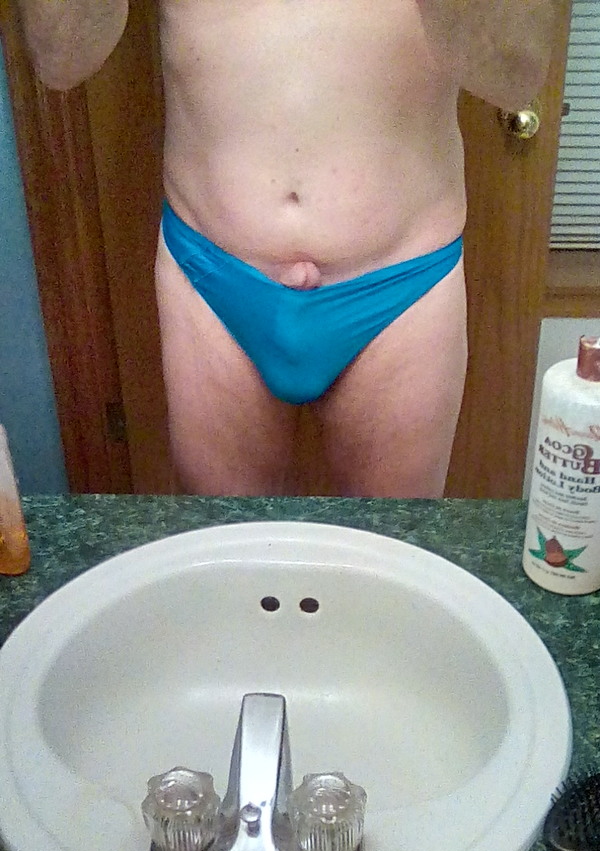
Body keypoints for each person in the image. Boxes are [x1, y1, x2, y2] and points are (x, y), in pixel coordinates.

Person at [15, 0, 561, 497]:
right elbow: (62, 59)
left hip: (402, 281)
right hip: (212, 272)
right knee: (227, 551)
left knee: (391, 554)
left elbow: (514, 74)